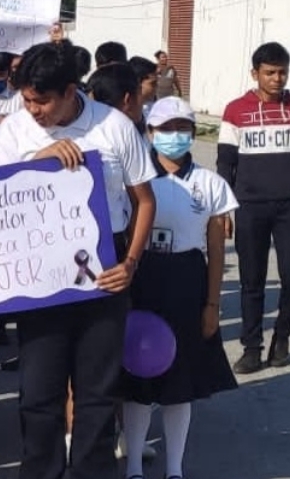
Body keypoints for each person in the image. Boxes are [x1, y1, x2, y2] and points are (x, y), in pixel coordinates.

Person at [0, 40, 156, 479]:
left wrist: (131, 262)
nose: (34, 110)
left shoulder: (114, 125)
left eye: (42, 100)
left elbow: (144, 199)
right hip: (41, 273)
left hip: (105, 268)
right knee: (39, 393)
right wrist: (39, 162)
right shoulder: (15, 131)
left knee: (98, 392)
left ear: (70, 91)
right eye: (26, 99)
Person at [120, 97, 238, 479]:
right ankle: (134, 465)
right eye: (166, 129)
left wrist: (212, 304)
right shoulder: (135, 180)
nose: (174, 136)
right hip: (142, 275)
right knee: (137, 376)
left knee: (180, 381)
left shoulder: (210, 184)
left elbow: (216, 249)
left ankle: (175, 468)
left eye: (182, 128)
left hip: (187, 277)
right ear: (150, 133)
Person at [217, 42, 290, 375]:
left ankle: (282, 336)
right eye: (270, 72)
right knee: (252, 281)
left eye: (282, 72)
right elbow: (225, 164)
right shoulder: (236, 110)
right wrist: (224, 211)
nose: (277, 79)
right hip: (250, 206)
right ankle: (252, 348)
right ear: (255, 74)